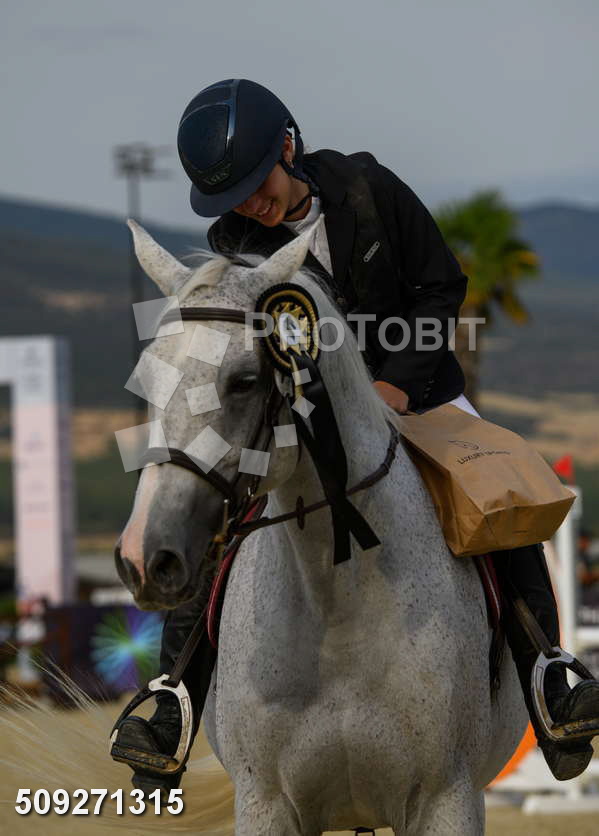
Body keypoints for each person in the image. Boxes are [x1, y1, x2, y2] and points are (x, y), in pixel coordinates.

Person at [113, 78, 599, 792]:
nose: (250, 205)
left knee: (496, 490)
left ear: (287, 146)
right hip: (307, 414)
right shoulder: (235, 241)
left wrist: (395, 384)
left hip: (418, 390)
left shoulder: (368, 188)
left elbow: (440, 286)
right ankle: (173, 700)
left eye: (255, 184)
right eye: (232, 198)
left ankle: (548, 675)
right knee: (219, 504)